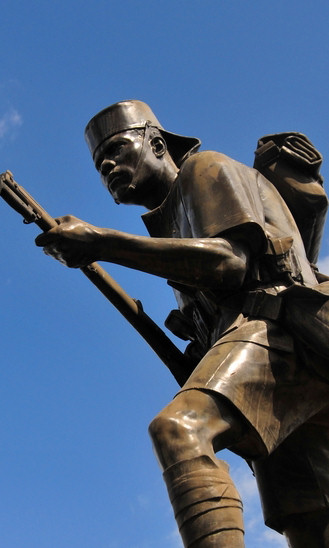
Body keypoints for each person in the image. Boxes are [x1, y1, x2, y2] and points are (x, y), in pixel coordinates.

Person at [35, 100, 329, 548]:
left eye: (117, 149)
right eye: (99, 164)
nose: (108, 165)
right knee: (311, 523)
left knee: (181, 429)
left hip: (277, 333)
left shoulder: (204, 170)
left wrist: (102, 242)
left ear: (156, 142)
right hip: (280, 363)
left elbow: (230, 263)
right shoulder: (172, 223)